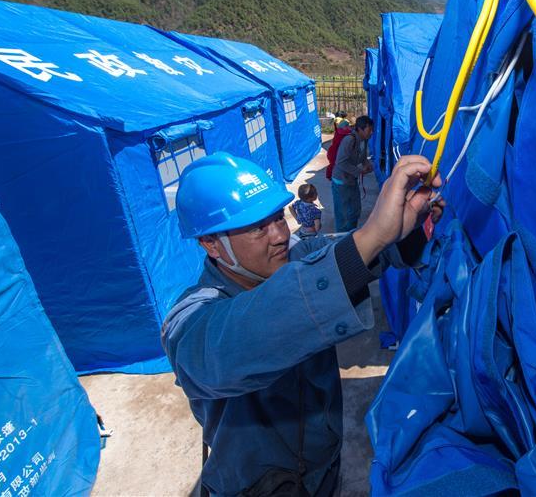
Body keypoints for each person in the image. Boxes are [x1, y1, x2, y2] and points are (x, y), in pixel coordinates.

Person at [161, 151, 444, 496]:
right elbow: (228, 344)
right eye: (257, 227)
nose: (279, 235)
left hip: (324, 468)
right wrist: (370, 237)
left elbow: (362, 253)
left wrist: (409, 228)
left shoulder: (298, 255)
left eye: (278, 217)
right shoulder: (189, 319)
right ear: (211, 244)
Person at [330, 116, 374, 232]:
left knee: (355, 210)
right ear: (360, 129)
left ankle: (351, 234)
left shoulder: (364, 140)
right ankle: (340, 240)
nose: (372, 132)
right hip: (341, 182)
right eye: (369, 130)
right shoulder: (349, 140)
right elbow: (340, 162)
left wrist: (366, 164)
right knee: (343, 214)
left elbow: (363, 156)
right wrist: (360, 171)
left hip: (351, 180)